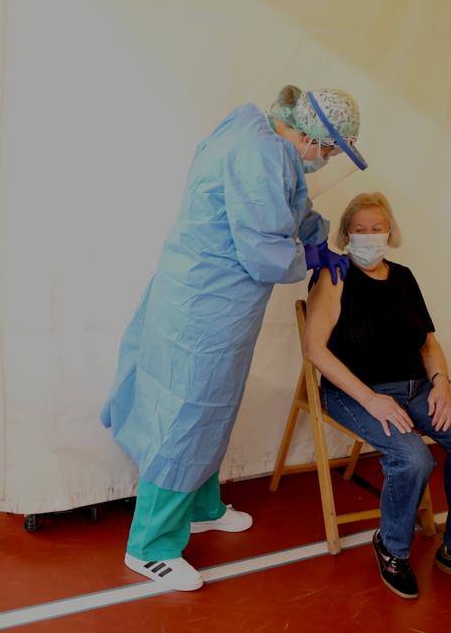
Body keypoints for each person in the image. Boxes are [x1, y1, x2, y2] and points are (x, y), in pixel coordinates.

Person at [100, 86, 363, 592]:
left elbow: (292, 206)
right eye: (329, 149)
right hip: (203, 305)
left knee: (213, 406)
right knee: (185, 414)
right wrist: (308, 257)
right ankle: (150, 546)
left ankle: (200, 507)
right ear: (310, 135)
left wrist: (316, 239)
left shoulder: (263, 137)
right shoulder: (257, 154)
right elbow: (264, 249)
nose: (326, 160)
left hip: (217, 304)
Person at [303, 192, 451, 605]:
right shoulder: (335, 274)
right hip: (356, 393)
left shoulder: (403, 277)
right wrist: (371, 399)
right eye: (359, 230)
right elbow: (315, 348)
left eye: (376, 228)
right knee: (413, 457)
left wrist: (442, 384)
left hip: (417, 388)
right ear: (346, 234)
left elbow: (428, 342)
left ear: (390, 232)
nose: (369, 237)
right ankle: (392, 547)